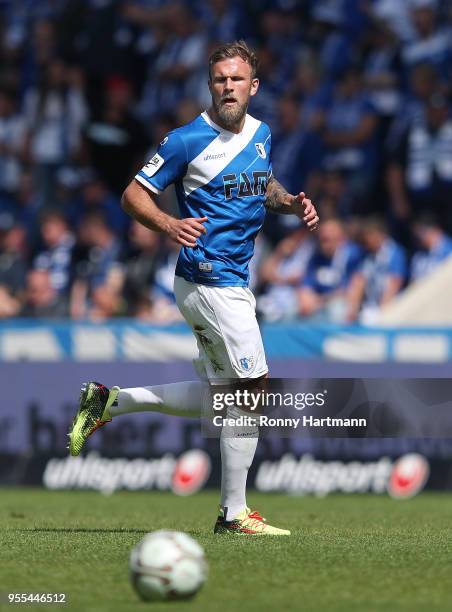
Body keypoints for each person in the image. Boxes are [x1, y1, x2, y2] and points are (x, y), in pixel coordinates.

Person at [67, 41, 319, 535]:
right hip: (209, 281)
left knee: (222, 395)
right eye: (220, 79)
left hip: (231, 281)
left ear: (253, 86)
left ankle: (108, 402)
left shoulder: (262, 134)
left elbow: (261, 186)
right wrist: (168, 224)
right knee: (251, 388)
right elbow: (132, 194)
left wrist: (289, 202)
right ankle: (234, 513)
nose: (228, 86)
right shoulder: (185, 140)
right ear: (211, 84)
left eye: (237, 79)